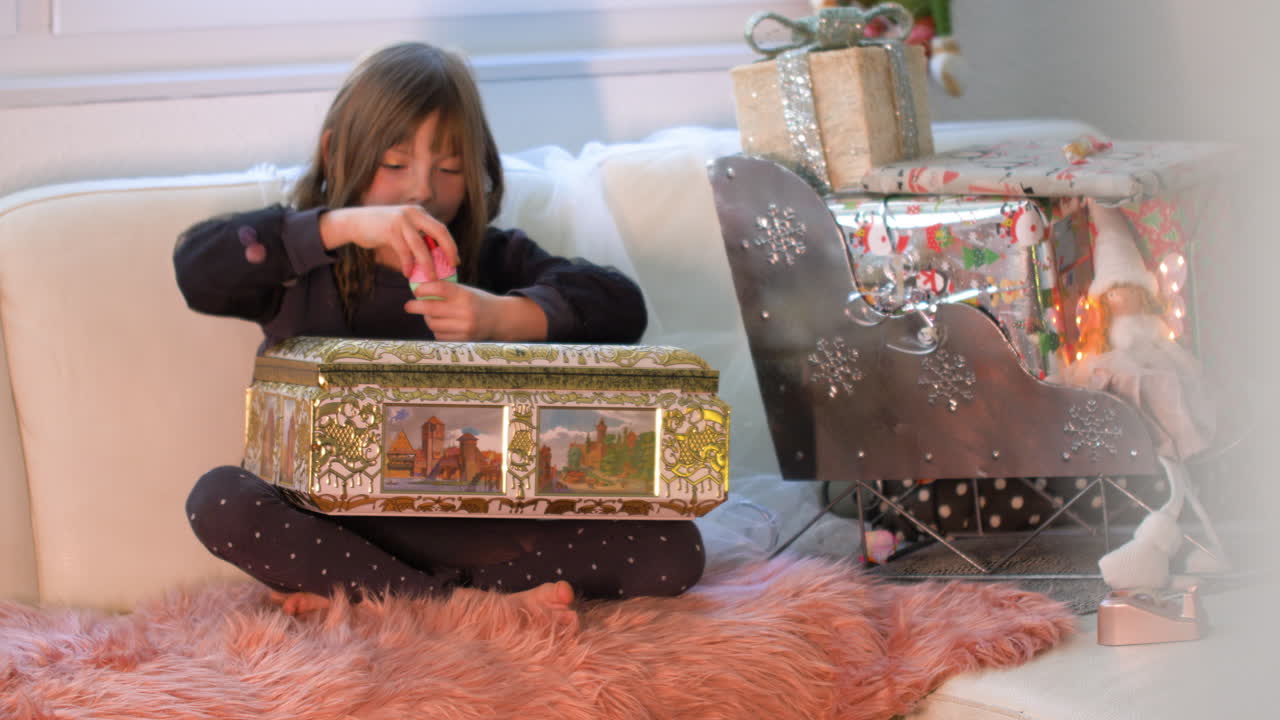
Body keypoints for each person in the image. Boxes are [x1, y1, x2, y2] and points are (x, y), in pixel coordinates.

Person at [175, 42, 704, 619]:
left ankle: (394, 596)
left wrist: (503, 316)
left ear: (477, 170)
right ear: (334, 153)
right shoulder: (298, 266)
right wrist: (339, 226)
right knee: (220, 498)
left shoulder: (493, 259)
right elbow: (198, 268)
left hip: (474, 525)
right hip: (339, 527)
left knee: (673, 547)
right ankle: (450, 605)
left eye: (449, 168)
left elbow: (621, 307)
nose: (421, 191)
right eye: (395, 165)